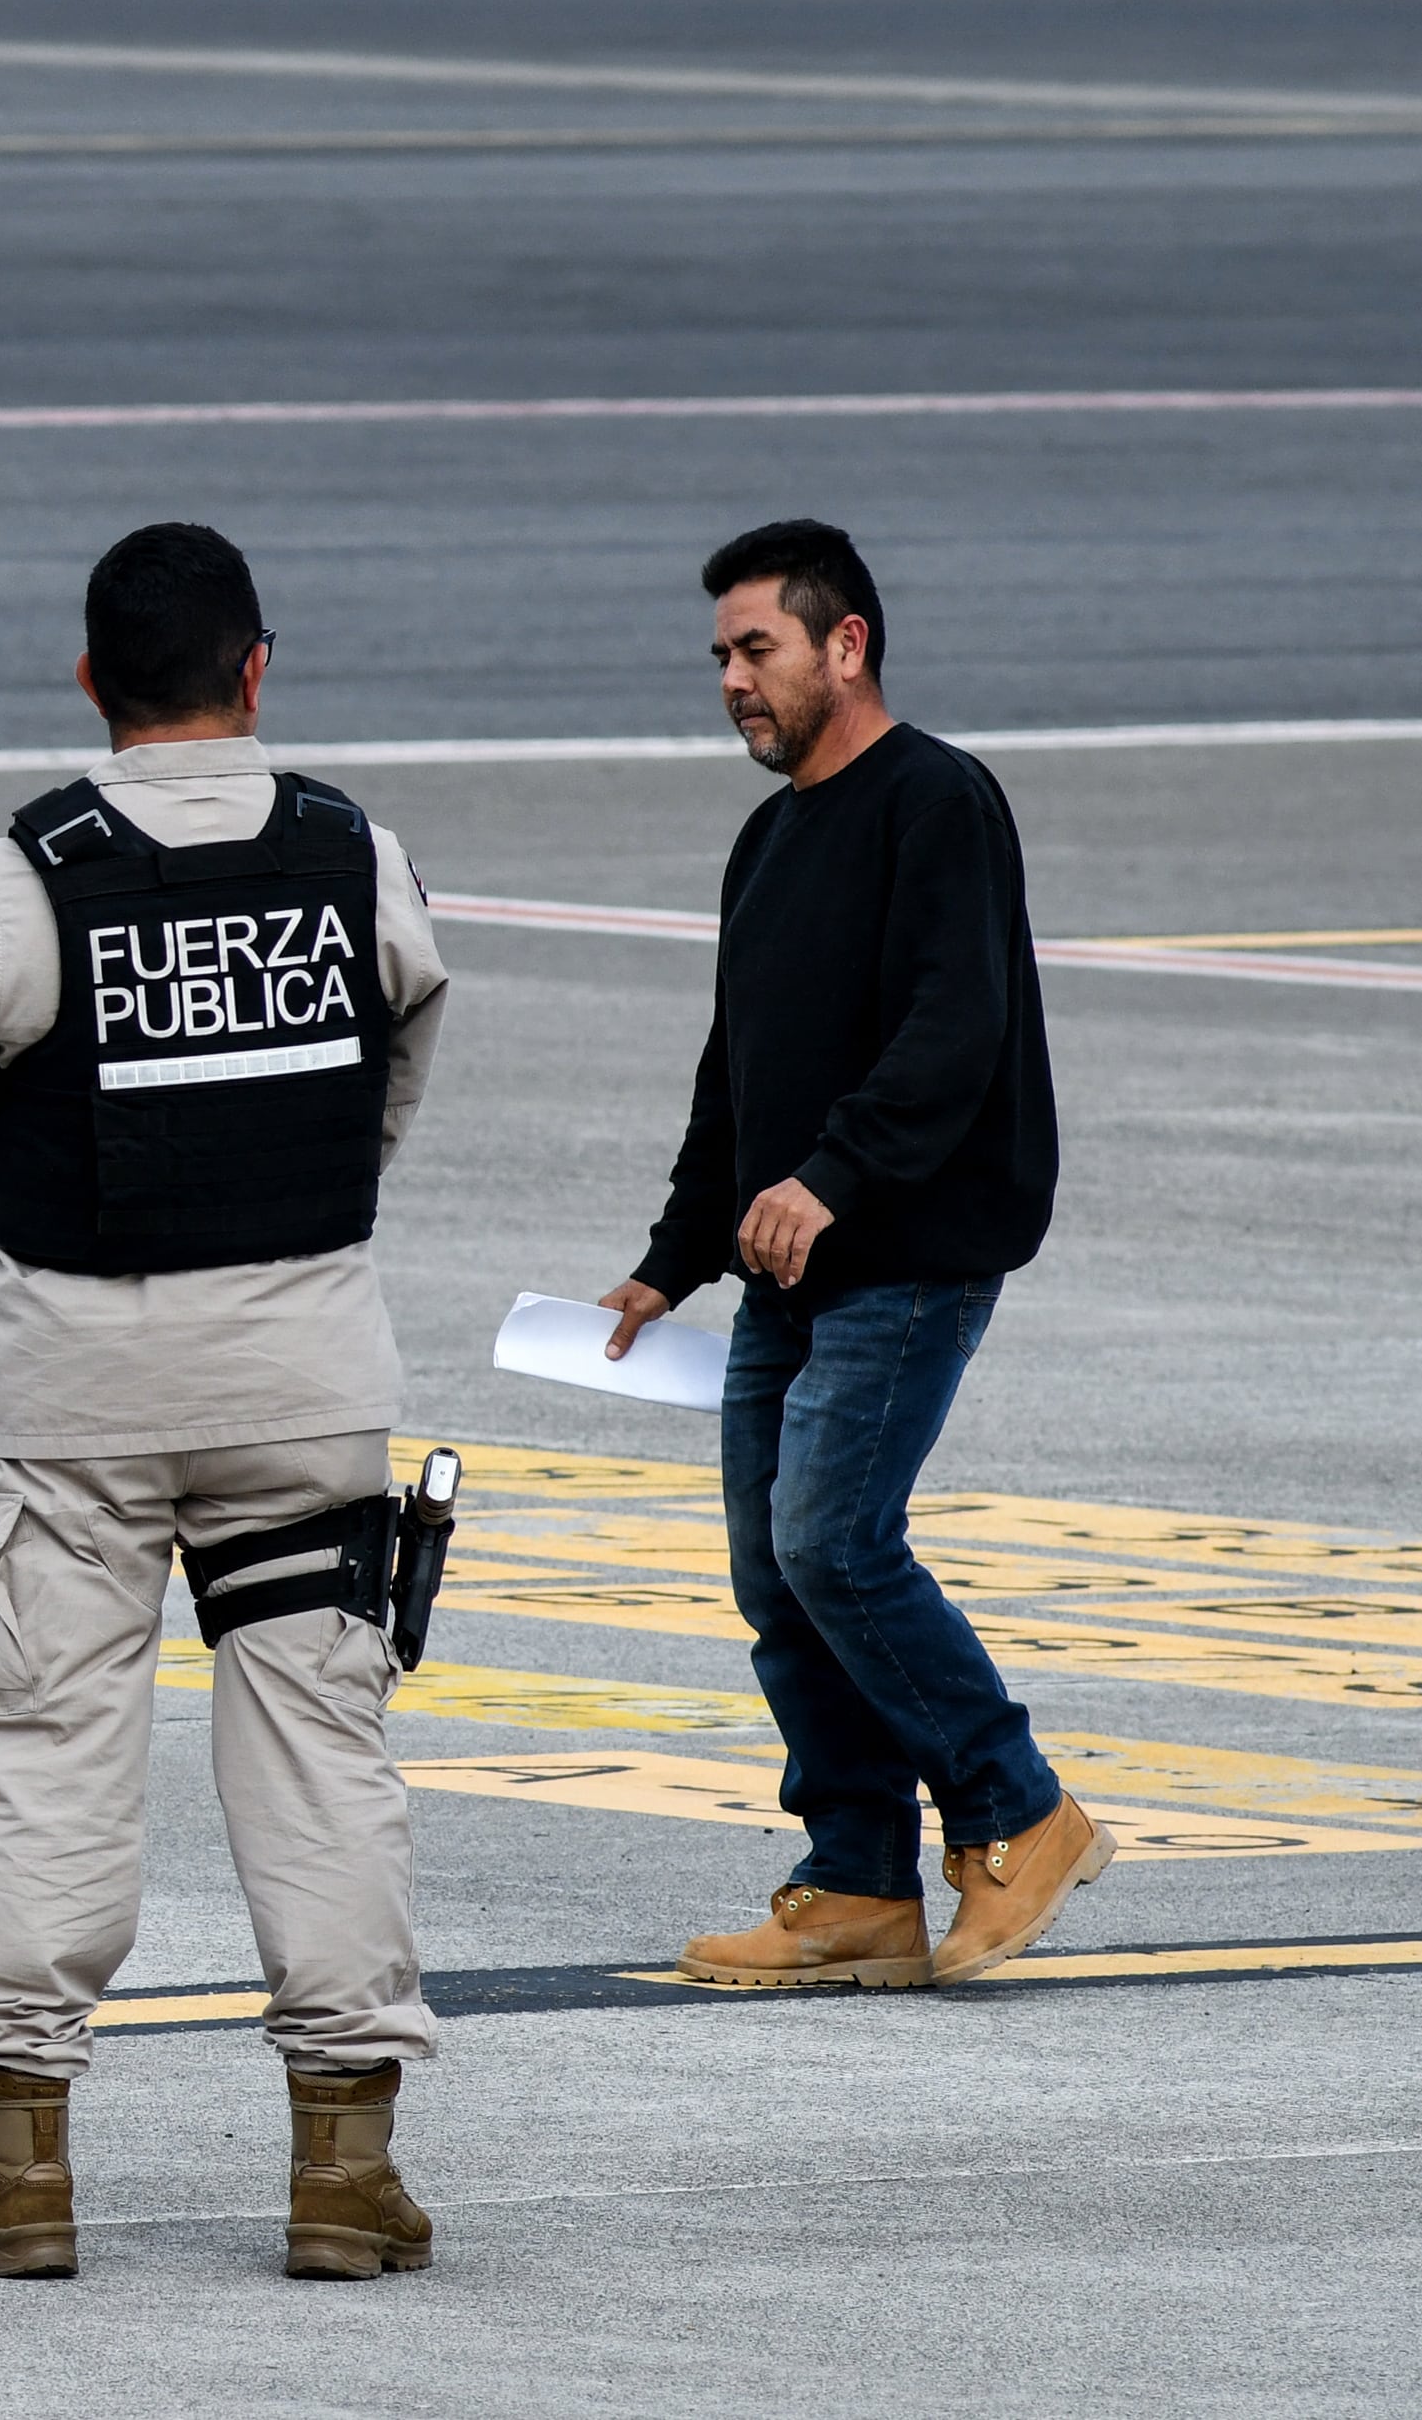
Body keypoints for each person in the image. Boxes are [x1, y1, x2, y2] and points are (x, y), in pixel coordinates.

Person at [0, 523, 449, 2283]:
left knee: (46, 1751)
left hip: (73, 1390)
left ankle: (21, 2172)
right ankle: (346, 2172)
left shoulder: (19, 876)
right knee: (322, 1757)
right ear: (257, 670)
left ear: (90, 684)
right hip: (304, 1376)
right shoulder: (358, 858)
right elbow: (397, 1068)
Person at [602, 519, 1105, 1991]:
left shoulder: (934, 800)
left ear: (846, 643)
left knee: (833, 1537)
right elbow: (734, 1077)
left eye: (754, 649)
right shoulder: (768, 839)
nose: (731, 682)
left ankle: (1021, 1810)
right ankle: (857, 1878)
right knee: (774, 1568)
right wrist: (672, 1255)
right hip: (786, 1257)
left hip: (910, 1240)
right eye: (719, 657)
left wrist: (832, 1176)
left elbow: (956, 1028)